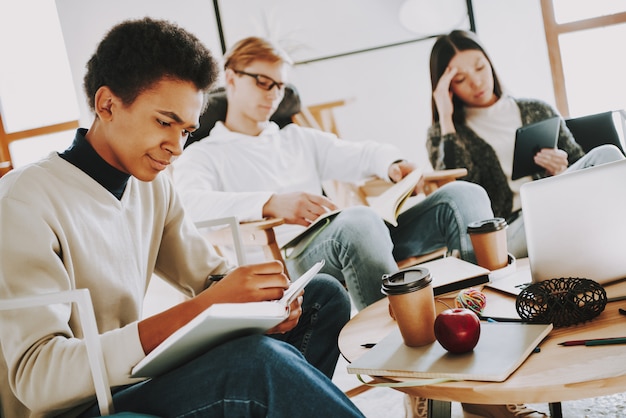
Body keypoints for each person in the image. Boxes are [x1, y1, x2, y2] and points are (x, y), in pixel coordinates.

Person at [0, 18, 363, 418]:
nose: (176, 146)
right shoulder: (24, 201)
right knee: (253, 364)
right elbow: (38, 380)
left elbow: (208, 277)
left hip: (128, 381)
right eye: (164, 122)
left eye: (187, 130)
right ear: (107, 105)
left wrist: (263, 300)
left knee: (321, 297)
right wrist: (204, 307)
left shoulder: (152, 186)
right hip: (78, 409)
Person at [172, 36, 494, 311]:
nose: (272, 94)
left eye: (281, 86)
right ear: (230, 78)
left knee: (465, 195)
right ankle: (396, 344)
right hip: (290, 255)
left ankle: (476, 312)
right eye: (262, 82)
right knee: (359, 222)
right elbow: (190, 205)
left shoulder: (297, 138)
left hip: (359, 237)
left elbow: (361, 153)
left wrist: (392, 164)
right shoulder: (205, 154)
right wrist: (271, 202)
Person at [427, 29, 624, 259]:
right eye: (460, 79)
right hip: (509, 233)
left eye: (480, 68)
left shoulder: (536, 110)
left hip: (559, 206)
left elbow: (580, 162)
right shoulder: (442, 136)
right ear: (447, 88)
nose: (476, 81)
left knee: (607, 155)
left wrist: (560, 170)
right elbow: (460, 199)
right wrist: (445, 118)